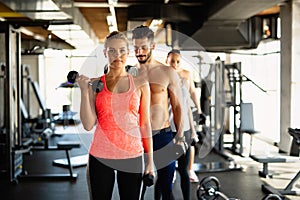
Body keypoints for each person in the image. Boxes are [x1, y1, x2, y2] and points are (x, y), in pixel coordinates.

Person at [77, 31, 154, 200]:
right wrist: (84, 91)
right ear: (105, 52)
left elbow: (145, 124)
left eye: (122, 51)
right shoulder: (96, 84)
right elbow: (88, 124)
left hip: (132, 155)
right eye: (112, 50)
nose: (117, 55)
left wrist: (150, 162)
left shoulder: (141, 83)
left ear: (128, 52)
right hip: (101, 156)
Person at [132, 25, 185, 200]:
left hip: (163, 136)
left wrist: (180, 136)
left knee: (166, 187)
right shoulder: (129, 73)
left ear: (153, 46)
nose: (139, 52)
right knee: (136, 188)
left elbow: (177, 107)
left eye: (144, 47)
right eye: (136, 48)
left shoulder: (167, 72)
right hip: (136, 137)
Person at [166, 50, 203, 184]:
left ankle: (189, 168)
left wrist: (199, 109)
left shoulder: (186, 75)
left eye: (177, 61)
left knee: (190, 143)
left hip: (186, 115)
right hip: (169, 121)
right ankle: (170, 172)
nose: (175, 64)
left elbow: (192, 92)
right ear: (167, 61)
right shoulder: (164, 75)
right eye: (172, 61)